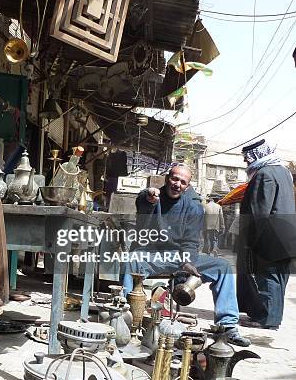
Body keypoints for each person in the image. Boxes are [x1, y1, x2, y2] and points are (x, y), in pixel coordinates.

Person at [122, 163, 250, 347]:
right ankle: (126, 316)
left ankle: (228, 326)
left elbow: (190, 241)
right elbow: (143, 201)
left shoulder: (194, 207)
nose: (177, 184)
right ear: (167, 179)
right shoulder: (153, 197)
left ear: (187, 186)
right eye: (174, 178)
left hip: (181, 257)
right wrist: (148, 198)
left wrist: (187, 262)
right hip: (154, 255)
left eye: (183, 182)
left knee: (223, 267)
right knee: (132, 261)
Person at [237, 139, 296, 329]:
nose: (248, 163)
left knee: (268, 278)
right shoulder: (284, 172)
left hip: (270, 238)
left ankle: (266, 319)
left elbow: (259, 212)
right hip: (287, 237)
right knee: (279, 279)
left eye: (248, 160)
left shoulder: (264, 174)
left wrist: (249, 239)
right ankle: (273, 319)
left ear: (256, 155)